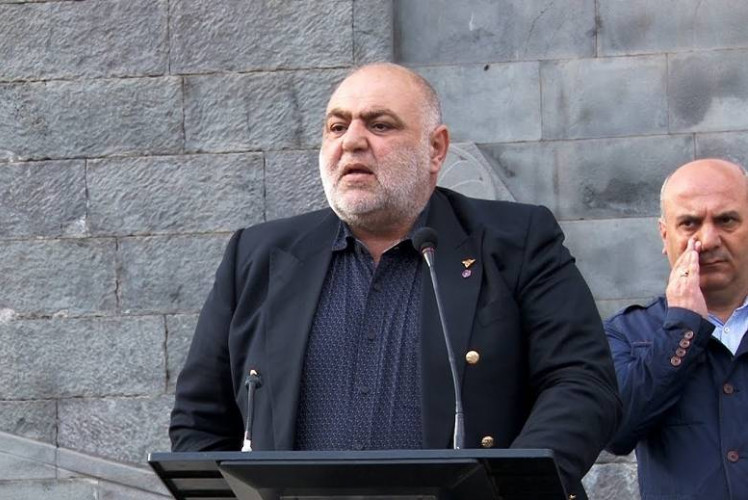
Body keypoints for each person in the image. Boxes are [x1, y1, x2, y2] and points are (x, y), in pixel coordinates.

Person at [170, 63, 621, 498]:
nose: (352, 142)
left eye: (380, 125)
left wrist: (509, 493)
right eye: (336, 126)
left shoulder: (516, 242)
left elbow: (581, 382)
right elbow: (200, 421)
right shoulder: (258, 255)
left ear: (436, 149)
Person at [605, 159, 748, 499]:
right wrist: (682, 330)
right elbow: (616, 432)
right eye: (689, 223)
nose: (708, 240)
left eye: (726, 220)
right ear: (665, 234)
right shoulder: (626, 332)